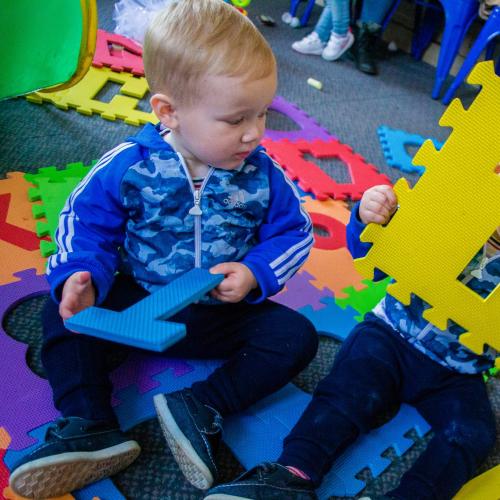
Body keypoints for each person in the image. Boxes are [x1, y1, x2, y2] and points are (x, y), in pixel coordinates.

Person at [8, 1, 319, 497]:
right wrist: (81, 275)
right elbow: (83, 220)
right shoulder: (131, 164)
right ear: (168, 111)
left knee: (297, 335)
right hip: (135, 301)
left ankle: (200, 406)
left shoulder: (263, 174)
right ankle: (90, 424)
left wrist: (256, 272)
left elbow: (296, 233)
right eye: (236, 118)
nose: (255, 133)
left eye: (263, 113)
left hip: (216, 311)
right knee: (60, 315)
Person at [204, 183, 498, 500]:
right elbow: (367, 254)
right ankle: (291, 475)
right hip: (390, 335)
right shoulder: (450, 214)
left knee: (474, 432)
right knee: (347, 394)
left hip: (458, 369)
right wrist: (367, 215)